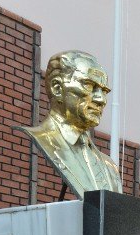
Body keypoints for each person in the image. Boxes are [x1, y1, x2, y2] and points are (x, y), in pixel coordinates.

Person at [20, 50, 122, 199]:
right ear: (57, 88)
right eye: (89, 85)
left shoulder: (110, 167)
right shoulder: (40, 139)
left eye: (104, 91)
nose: (101, 99)